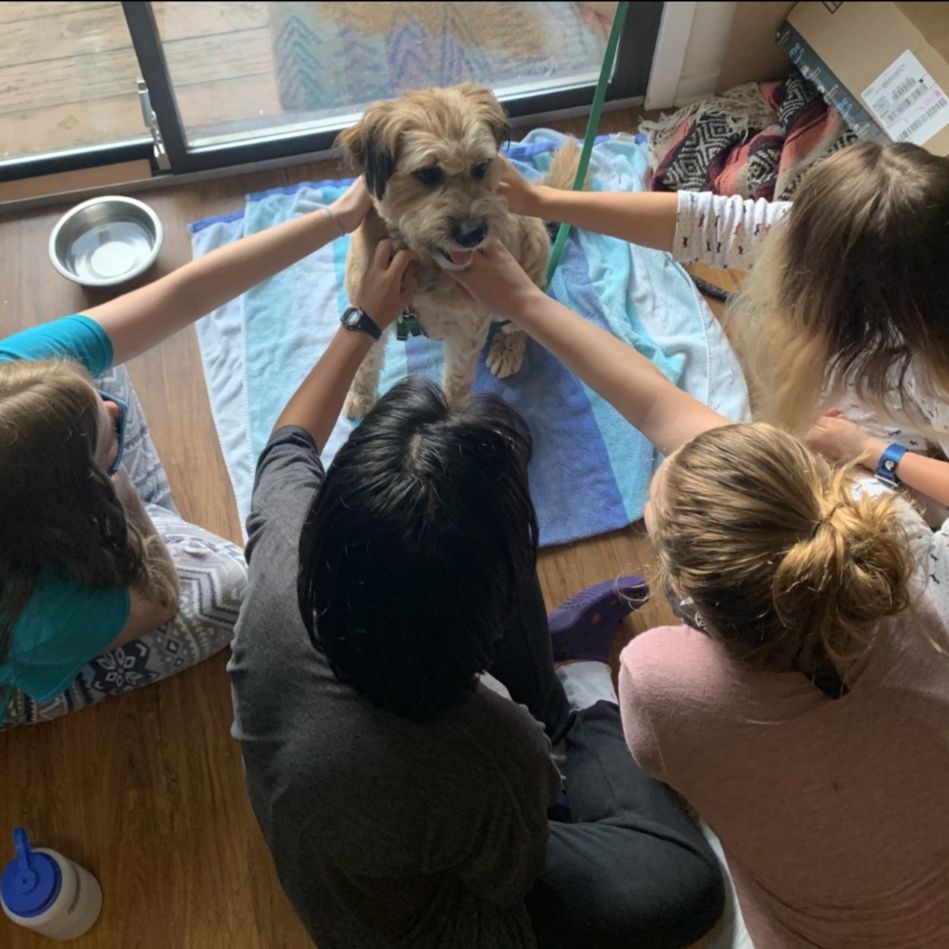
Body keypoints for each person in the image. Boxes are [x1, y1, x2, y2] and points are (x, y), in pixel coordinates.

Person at [450, 231, 949, 948]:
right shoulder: (904, 548)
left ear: (687, 603)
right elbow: (669, 415)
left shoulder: (661, 676)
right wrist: (524, 301)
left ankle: (581, 681)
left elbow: (666, 760)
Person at [227, 235, 724, 948]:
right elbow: (507, 875)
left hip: (347, 795)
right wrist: (540, 746)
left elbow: (289, 439)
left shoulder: (283, 542)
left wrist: (363, 317)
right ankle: (584, 699)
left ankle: (550, 686)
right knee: (684, 884)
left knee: (463, 519)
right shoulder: (489, 752)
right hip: (428, 915)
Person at [0, 181, 369, 727]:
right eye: (106, 440)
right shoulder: (47, 611)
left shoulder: (11, 381)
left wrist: (338, 217)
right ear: (69, 507)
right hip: (29, 636)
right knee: (231, 585)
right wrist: (123, 492)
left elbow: (184, 295)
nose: (116, 410)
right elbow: (160, 600)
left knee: (97, 377)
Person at [493, 141, 949, 514]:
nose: (777, 239)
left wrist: (871, 450)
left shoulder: (925, 382)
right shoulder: (882, 247)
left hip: (880, 477)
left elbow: (667, 414)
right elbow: (706, 224)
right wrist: (541, 201)